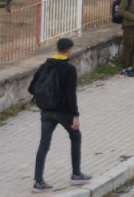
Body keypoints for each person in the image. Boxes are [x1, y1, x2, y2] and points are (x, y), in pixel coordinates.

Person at [29, 38, 91, 192]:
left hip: (46, 112)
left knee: (44, 144)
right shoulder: (69, 69)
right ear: (70, 50)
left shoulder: (44, 66)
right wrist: (75, 115)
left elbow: (32, 88)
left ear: (56, 48)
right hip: (64, 112)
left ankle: (38, 181)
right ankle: (76, 174)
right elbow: (71, 94)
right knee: (76, 137)